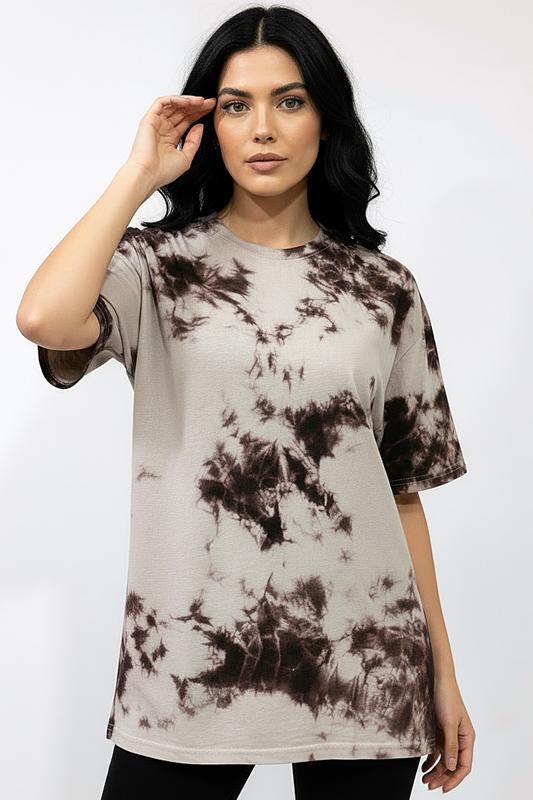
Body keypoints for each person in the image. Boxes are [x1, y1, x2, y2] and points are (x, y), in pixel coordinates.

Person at [16, 5, 475, 799]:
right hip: (188, 663)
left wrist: (442, 670)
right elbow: (43, 319)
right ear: (209, 125)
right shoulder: (156, 267)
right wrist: (138, 174)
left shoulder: (383, 288)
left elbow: (399, 490)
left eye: (289, 101)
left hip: (364, 665)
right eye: (236, 105)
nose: (262, 127)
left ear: (325, 120)